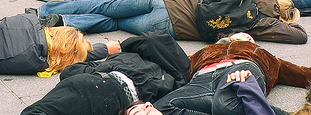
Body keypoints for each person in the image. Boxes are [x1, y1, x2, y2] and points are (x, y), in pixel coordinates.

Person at [36, 0, 308, 44]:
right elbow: (300, 37)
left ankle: (48, 10)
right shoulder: (261, 23)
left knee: (108, 6)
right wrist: (287, 22)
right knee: (115, 22)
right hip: (168, 24)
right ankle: (64, 23)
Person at [22, 32, 189, 115]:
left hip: (105, 88)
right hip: (108, 89)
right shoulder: (175, 76)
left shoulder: (130, 57)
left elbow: (69, 72)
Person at [153, 32, 311, 115]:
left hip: (239, 71)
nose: (247, 36)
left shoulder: (264, 55)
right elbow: (178, 65)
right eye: (242, 34)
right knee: (161, 107)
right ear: (230, 36)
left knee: (227, 106)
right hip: (201, 80)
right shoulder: (204, 51)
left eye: (251, 38)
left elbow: (307, 74)